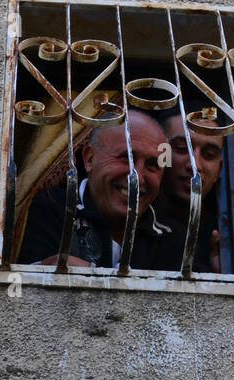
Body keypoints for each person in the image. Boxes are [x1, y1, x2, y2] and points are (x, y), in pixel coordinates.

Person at [18, 109, 174, 270]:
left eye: (152, 165)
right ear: (89, 159)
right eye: (126, 158)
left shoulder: (173, 235)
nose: (138, 178)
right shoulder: (53, 207)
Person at [156, 111, 225, 272]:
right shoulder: (132, 220)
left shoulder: (223, 237)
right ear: (161, 153)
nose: (195, 166)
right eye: (181, 149)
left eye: (208, 155)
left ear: (219, 170)